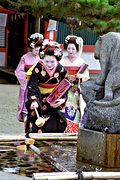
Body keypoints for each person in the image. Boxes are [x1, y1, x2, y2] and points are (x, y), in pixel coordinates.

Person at [25, 40, 68, 133]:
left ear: (57, 59)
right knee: (36, 124)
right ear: (42, 58)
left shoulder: (62, 70)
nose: (49, 64)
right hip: (40, 98)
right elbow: (32, 87)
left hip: (54, 100)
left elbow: (65, 86)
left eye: (52, 61)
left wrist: (63, 99)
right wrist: (34, 100)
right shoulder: (37, 69)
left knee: (55, 125)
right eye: (46, 61)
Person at [60, 35, 89, 133]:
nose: (70, 50)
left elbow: (86, 77)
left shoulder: (81, 62)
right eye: (68, 48)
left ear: (77, 49)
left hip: (76, 90)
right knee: (64, 107)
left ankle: (74, 131)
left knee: (76, 110)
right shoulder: (62, 61)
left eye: (73, 48)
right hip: (64, 89)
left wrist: (80, 76)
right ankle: (64, 129)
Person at [15, 33, 44, 124]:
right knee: (26, 109)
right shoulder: (25, 57)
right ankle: (26, 125)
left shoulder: (43, 58)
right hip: (27, 85)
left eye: (38, 49)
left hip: (38, 86)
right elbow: (18, 71)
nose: (37, 51)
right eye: (35, 49)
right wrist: (27, 76)